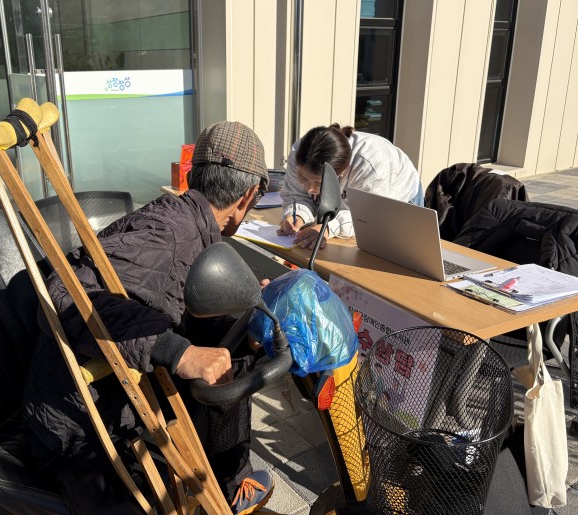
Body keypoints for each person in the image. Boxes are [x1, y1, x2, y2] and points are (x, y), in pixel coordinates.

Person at [23, 121, 274, 514]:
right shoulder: (169, 233)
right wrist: (178, 352)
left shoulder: (188, 223)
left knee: (233, 358)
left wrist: (246, 330)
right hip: (78, 424)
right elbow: (65, 295)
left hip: (111, 395)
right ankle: (225, 484)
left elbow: (172, 307)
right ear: (246, 197)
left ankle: (229, 483)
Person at [279, 124, 422, 248]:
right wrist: (297, 215)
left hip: (399, 199)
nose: (310, 188)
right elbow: (297, 195)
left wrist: (328, 227)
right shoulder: (300, 151)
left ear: (343, 171)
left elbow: (368, 218)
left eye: (319, 183)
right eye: (303, 177)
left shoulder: (371, 164)